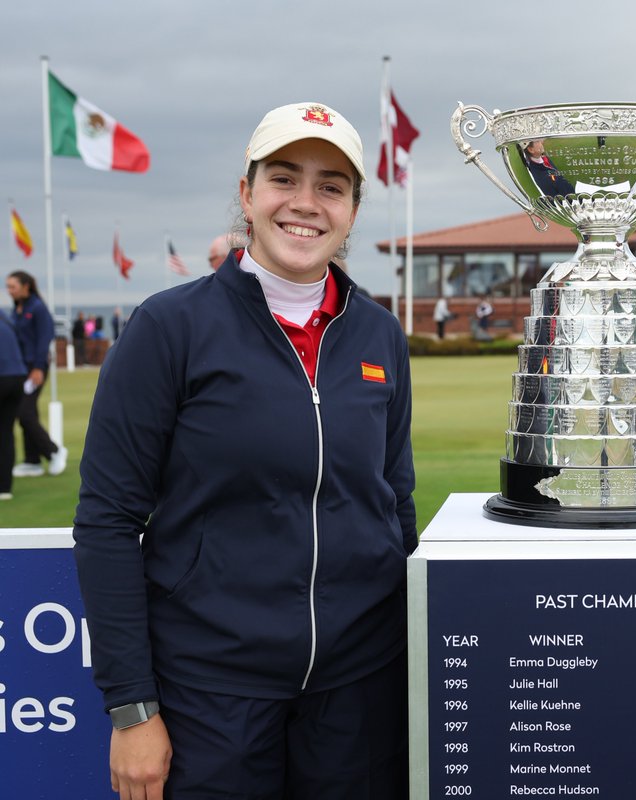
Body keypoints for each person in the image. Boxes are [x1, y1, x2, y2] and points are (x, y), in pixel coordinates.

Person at [73, 101, 417, 799]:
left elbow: (394, 502)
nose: (305, 203)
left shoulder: (380, 336)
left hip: (357, 696)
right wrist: (134, 709)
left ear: (352, 209)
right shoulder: (169, 328)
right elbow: (108, 521)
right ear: (247, 194)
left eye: (330, 186)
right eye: (284, 178)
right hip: (211, 697)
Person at [6, 270, 66, 477]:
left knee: (25, 413)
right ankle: (32, 461)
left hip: (35, 366)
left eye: (12, 286)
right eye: (7, 287)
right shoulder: (17, 309)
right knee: (26, 411)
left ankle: (54, 451)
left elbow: (44, 338)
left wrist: (39, 367)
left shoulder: (38, 308)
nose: (9, 291)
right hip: (20, 367)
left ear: (26, 286)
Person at [0, 310, 25, 500]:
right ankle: (4, 488)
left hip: (3, 376)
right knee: (5, 432)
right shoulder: (7, 319)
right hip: (17, 377)